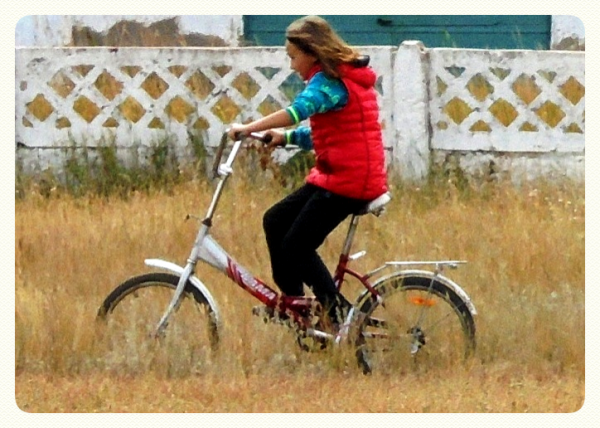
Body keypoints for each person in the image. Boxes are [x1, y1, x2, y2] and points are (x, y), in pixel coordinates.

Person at [227, 15, 388, 328]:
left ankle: (338, 315)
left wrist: (248, 128)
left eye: (293, 57)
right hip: (340, 175)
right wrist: (285, 138)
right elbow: (330, 134)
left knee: (297, 246)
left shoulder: (329, 82)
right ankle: (296, 307)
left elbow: (296, 112)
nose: (291, 65)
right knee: (275, 220)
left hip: (350, 181)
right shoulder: (338, 79)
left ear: (312, 53)